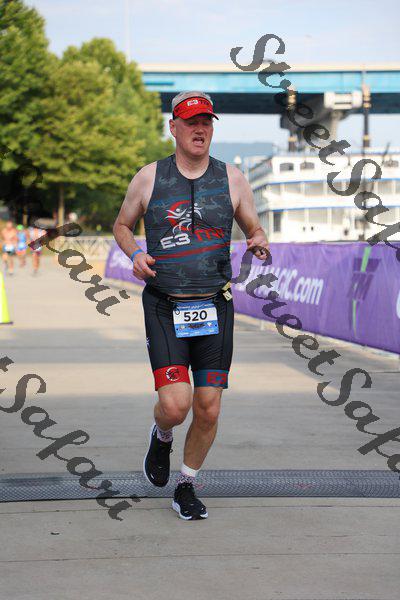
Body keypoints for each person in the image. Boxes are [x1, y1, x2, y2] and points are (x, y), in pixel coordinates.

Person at [113, 90, 269, 520]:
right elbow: (122, 225)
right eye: (191, 122)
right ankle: (162, 435)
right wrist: (135, 253)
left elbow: (253, 226)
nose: (200, 129)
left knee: (208, 407)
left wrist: (257, 239)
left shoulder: (233, 178)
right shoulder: (149, 177)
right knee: (176, 405)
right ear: (174, 128)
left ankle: (186, 484)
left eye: (206, 122)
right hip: (165, 305)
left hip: (215, 305)